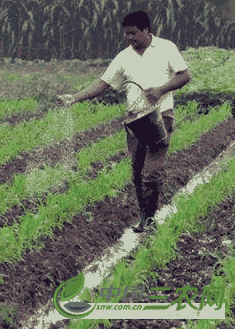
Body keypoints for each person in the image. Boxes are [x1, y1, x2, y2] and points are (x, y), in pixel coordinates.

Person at [57, 10, 192, 233]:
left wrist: (161, 89)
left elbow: (185, 76)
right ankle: (144, 216)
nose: (128, 38)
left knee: (151, 172)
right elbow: (103, 83)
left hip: (161, 116)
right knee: (137, 173)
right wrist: (75, 97)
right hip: (135, 121)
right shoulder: (124, 56)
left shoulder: (166, 47)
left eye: (133, 33)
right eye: (125, 34)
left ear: (146, 31)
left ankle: (148, 220)